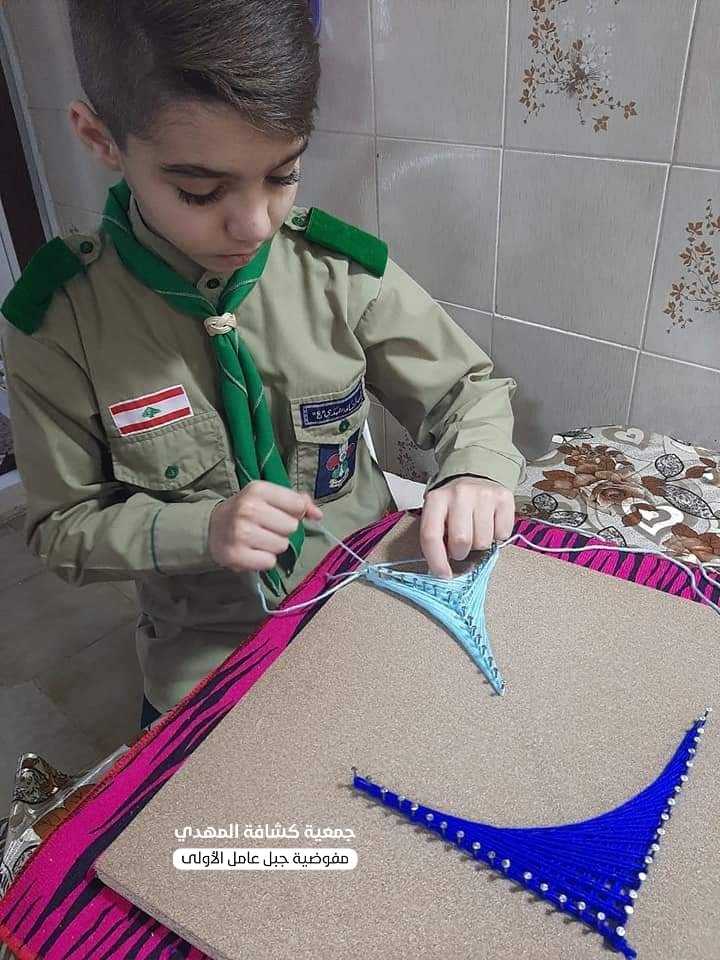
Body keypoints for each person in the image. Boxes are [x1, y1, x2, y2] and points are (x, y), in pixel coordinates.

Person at [1, 0, 525, 727]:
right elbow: (62, 528)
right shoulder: (59, 323)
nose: (253, 224)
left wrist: (474, 472)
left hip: (368, 610)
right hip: (205, 662)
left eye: (283, 175)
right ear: (100, 138)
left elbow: (468, 392)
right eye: (200, 191)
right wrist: (203, 530)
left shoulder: (336, 274)